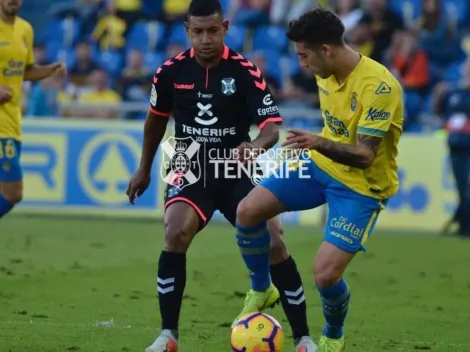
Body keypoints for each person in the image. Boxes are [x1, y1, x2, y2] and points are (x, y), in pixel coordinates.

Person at [126, 1, 316, 351]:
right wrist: (144, 168)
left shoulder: (245, 71)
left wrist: (256, 146)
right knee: (175, 231)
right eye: (197, 32)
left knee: (275, 241)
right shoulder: (169, 72)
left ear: (225, 27)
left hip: (235, 163)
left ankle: (304, 338)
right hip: (187, 159)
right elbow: (155, 121)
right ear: (187, 31)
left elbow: (271, 126)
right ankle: (168, 335)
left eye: (213, 30)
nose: (206, 39)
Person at [233, 8, 404, 352]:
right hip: (318, 166)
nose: (301, 63)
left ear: (326, 49)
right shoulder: (323, 71)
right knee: (248, 211)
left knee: (325, 275)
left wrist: (316, 141)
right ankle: (263, 288)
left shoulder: (379, 86)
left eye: (304, 55)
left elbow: (365, 155)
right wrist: (312, 148)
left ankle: (334, 335)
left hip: (362, 186)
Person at [0, 0, 66, 220]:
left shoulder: (25, 29)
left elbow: (24, 71)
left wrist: (51, 69)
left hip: (11, 122)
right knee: (12, 192)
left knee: (12, 192)